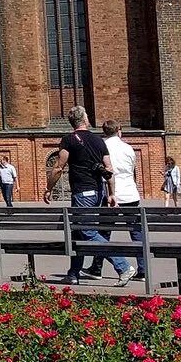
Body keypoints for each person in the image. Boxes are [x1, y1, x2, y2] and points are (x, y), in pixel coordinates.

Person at [57, 106, 130, 283]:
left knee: (87, 231)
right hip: (98, 192)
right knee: (78, 233)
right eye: (88, 115)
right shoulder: (99, 141)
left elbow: (58, 167)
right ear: (84, 120)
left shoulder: (68, 140)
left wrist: (48, 189)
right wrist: (111, 193)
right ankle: (73, 274)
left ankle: (123, 265)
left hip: (82, 193)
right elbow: (109, 170)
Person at [103, 120, 146, 281]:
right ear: (119, 131)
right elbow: (132, 167)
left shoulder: (102, 146)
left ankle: (97, 268)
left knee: (104, 231)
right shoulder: (128, 148)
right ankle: (143, 269)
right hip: (130, 193)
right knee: (136, 232)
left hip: (111, 193)